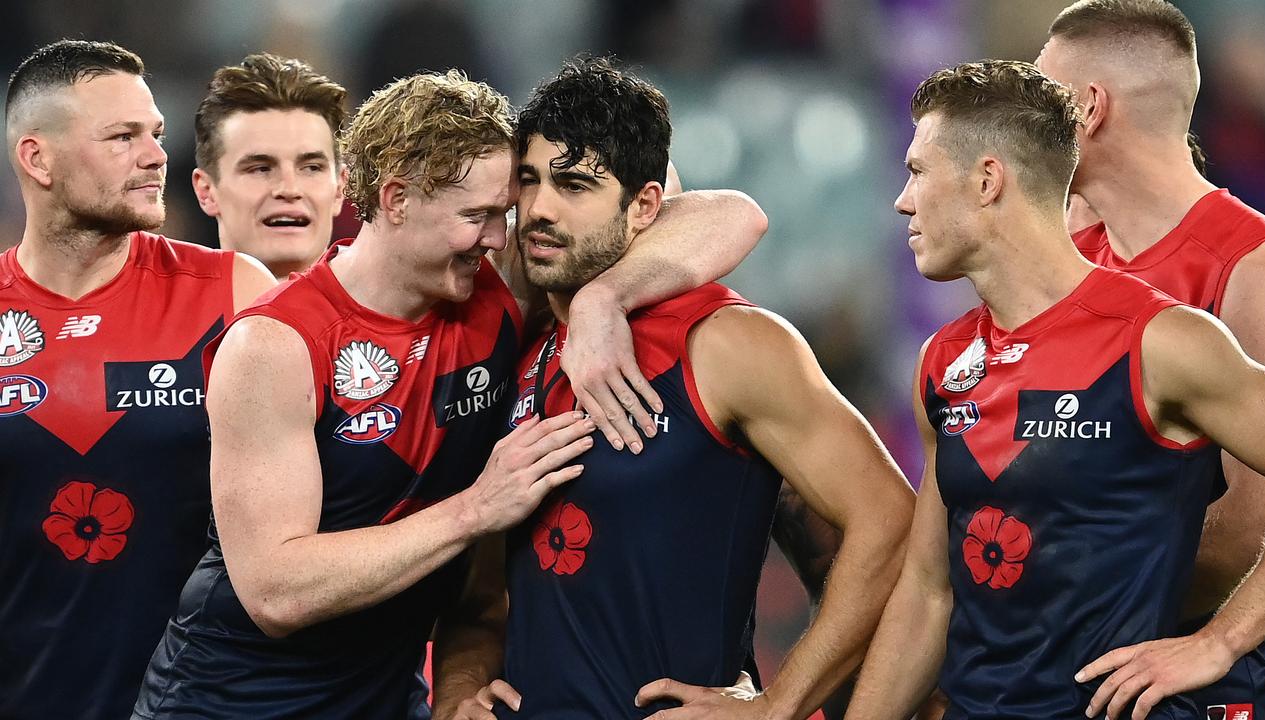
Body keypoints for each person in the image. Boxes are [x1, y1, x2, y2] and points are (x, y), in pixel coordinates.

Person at [133, 67, 768, 719]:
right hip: (227, 701)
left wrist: (609, 296)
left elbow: (729, 213)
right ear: (398, 198)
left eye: (503, 213)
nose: (501, 238)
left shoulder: (489, 292)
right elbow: (275, 592)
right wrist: (477, 508)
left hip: (386, 698)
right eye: (477, 216)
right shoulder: (273, 344)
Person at [432, 56, 915, 720]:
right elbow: (480, 602)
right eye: (529, 180)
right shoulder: (517, 354)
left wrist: (776, 708)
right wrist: (459, 689)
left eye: (574, 186)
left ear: (645, 207)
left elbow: (888, 518)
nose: (539, 208)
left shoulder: (726, 342)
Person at [845, 60, 1265, 720]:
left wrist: (1220, 641)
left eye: (916, 171)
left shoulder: (1159, 341)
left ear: (987, 180)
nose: (902, 201)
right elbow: (928, 589)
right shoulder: (945, 359)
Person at [0, 40, 276, 720]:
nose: (156, 157)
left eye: (154, 134)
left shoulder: (232, 293)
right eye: (122, 138)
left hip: (208, 706)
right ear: (37, 159)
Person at [1035, 2, 1265, 716]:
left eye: (1044, 93)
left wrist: (1030, 604)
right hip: (1068, 667)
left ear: (1088, 108)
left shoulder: (1255, 270)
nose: (1027, 123)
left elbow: (1247, 528)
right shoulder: (1065, 262)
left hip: (1190, 684)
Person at [191, 52, 348, 281]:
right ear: (206, 192)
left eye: (312, 168)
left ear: (340, 188)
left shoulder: (398, 312)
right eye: (260, 169)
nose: (289, 189)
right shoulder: (158, 314)